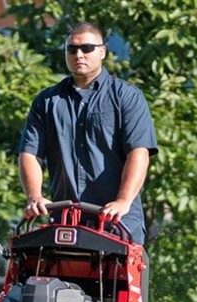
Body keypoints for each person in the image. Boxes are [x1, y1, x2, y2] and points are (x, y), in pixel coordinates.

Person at [17, 22, 158, 246]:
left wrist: (123, 201)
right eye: (71, 49)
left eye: (87, 49)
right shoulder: (46, 102)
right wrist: (34, 197)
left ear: (102, 51)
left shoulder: (127, 97)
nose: (79, 55)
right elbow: (30, 154)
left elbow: (139, 153)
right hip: (64, 225)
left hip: (118, 227)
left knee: (117, 283)